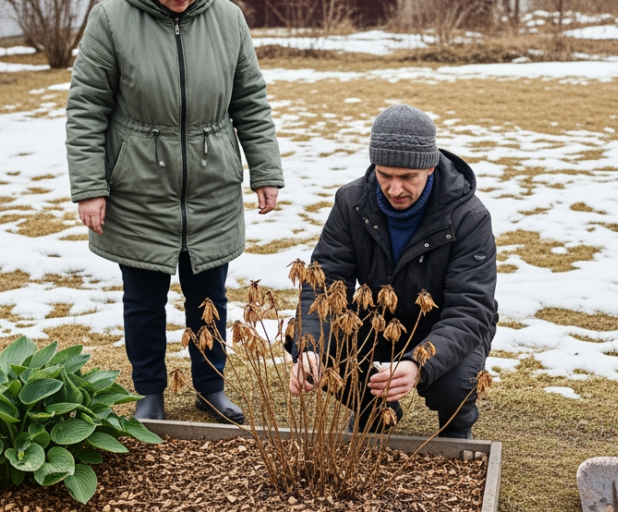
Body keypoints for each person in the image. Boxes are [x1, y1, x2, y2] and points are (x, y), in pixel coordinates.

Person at [66, 0, 284, 424]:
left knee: (209, 297)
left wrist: (265, 171)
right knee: (143, 299)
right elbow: (87, 108)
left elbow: (251, 102)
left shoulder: (228, 17)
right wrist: (91, 187)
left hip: (211, 184)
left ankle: (211, 386)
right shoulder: (112, 18)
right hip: (139, 185)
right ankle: (150, 391)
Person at [288, 105, 498, 440]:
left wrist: (417, 363)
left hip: (444, 326)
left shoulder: (469, 216)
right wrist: (308, 349)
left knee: (454, 384)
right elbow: (324, 283)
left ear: (429, 167)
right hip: (375, 320)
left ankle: (457, 425)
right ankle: (373, 411)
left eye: (407, 177)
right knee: (306, 335)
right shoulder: (351, 202)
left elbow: (471, 308)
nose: (395, 189)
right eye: (385, 175)